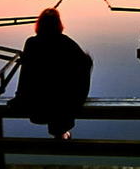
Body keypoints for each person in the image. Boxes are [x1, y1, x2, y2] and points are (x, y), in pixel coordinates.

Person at [7, 8, 93, 139]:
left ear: (39, 25)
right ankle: (60, 132)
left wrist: (20, 97)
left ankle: (58, 132)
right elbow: (85, 64)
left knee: (50, 95)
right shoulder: (66, 42)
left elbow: (26, 76)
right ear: (58, 24)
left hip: (38, 101)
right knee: (59, 96)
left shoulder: (31, 43)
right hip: (62, 101)